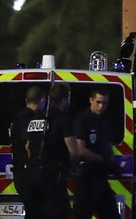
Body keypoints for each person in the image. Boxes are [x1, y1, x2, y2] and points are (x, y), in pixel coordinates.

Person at [26, 82, 79, 219]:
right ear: (66, 98)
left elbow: (27, 147)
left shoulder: (36, 119)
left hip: (33, 175)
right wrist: (69, 168)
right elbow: (74, 152)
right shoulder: (63, 120)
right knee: (59, 213)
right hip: (52, 176)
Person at [73, 88, 121, 219]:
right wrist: (101, 159)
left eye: (104, 103)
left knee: (112, 215)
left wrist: (112, 162)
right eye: (98, 102)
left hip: (100, 177)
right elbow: (80, 148)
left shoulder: (105, 121)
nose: (101, 106)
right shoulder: (83, 120)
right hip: (85, 178)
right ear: (91, 100)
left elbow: (108, 145)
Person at [9, 86, 46, 219]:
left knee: (31, 212)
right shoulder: (44, 119)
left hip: (21, 175)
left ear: (26, 100)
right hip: (38, 174)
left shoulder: (17, 120)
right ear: (42, 100)